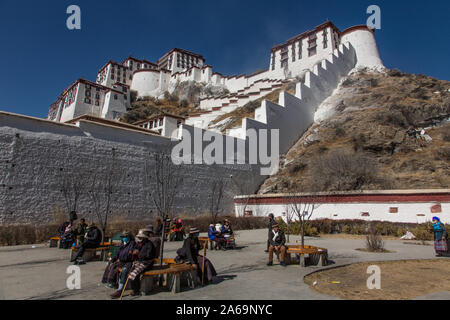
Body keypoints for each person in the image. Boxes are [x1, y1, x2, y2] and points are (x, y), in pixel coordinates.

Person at [125, 229, 157, 296]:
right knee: (129, 271)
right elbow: (135, 249)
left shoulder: (149, 244)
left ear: (144, 237)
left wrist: (139, 253)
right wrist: (133, 251)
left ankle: (136, 290)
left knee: (133, 274)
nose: (139, 238)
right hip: (140, 262)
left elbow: (149, 256)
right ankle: (135, 288)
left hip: (147, 263)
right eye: (139, 237)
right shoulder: (140, 244)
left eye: (141, 237)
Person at [105, 231, 136, 295]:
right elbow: (117, 253)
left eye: (125, 237)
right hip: (121, 261)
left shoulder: (132, 244)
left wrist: (131, 253)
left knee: (124, 271)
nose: (124, 238)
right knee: (112, 266)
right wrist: (113, 259)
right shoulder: (122, 244)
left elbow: (131, 254)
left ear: (129, 237)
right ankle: (113, 282)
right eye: (123, 237)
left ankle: (120, 290)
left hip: (129, 262)